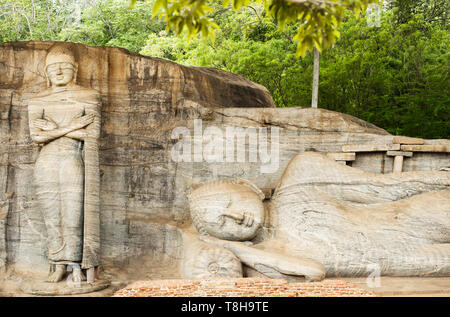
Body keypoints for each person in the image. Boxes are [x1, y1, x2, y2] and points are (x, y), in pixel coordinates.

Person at [28, 44, 101, 283]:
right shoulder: (38, 99)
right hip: (46, 162)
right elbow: (36, 136)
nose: (58, 72)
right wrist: (72, 126)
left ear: (75, 69)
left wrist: (54, 129)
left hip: (73, 159)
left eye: (64, 67)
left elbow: (92, 134)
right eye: (53, 69)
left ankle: (76, 265)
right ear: (46, 73)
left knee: (73, 213)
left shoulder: (88, 96)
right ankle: (58, 264)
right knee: (51, 215)